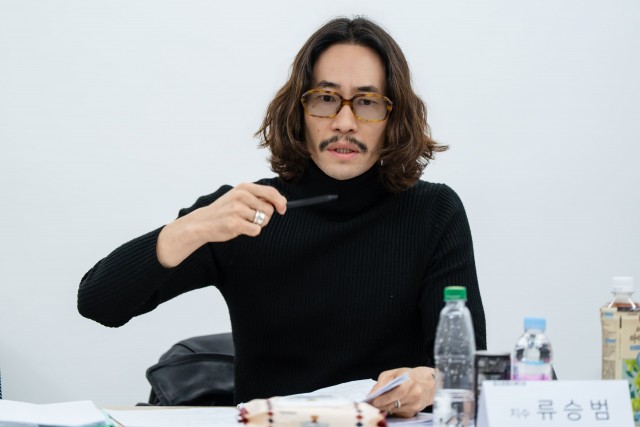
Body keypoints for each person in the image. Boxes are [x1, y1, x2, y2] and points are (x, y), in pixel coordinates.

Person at [78, 16, 486, 417]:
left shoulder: (434, 213)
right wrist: (193, 226)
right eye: (325, 98)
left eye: (367, 102)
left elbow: (467, 372)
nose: (345, 122)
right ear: (299, 110)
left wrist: (431, 381)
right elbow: (98, 302)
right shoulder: (247, 212)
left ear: (393, 116)